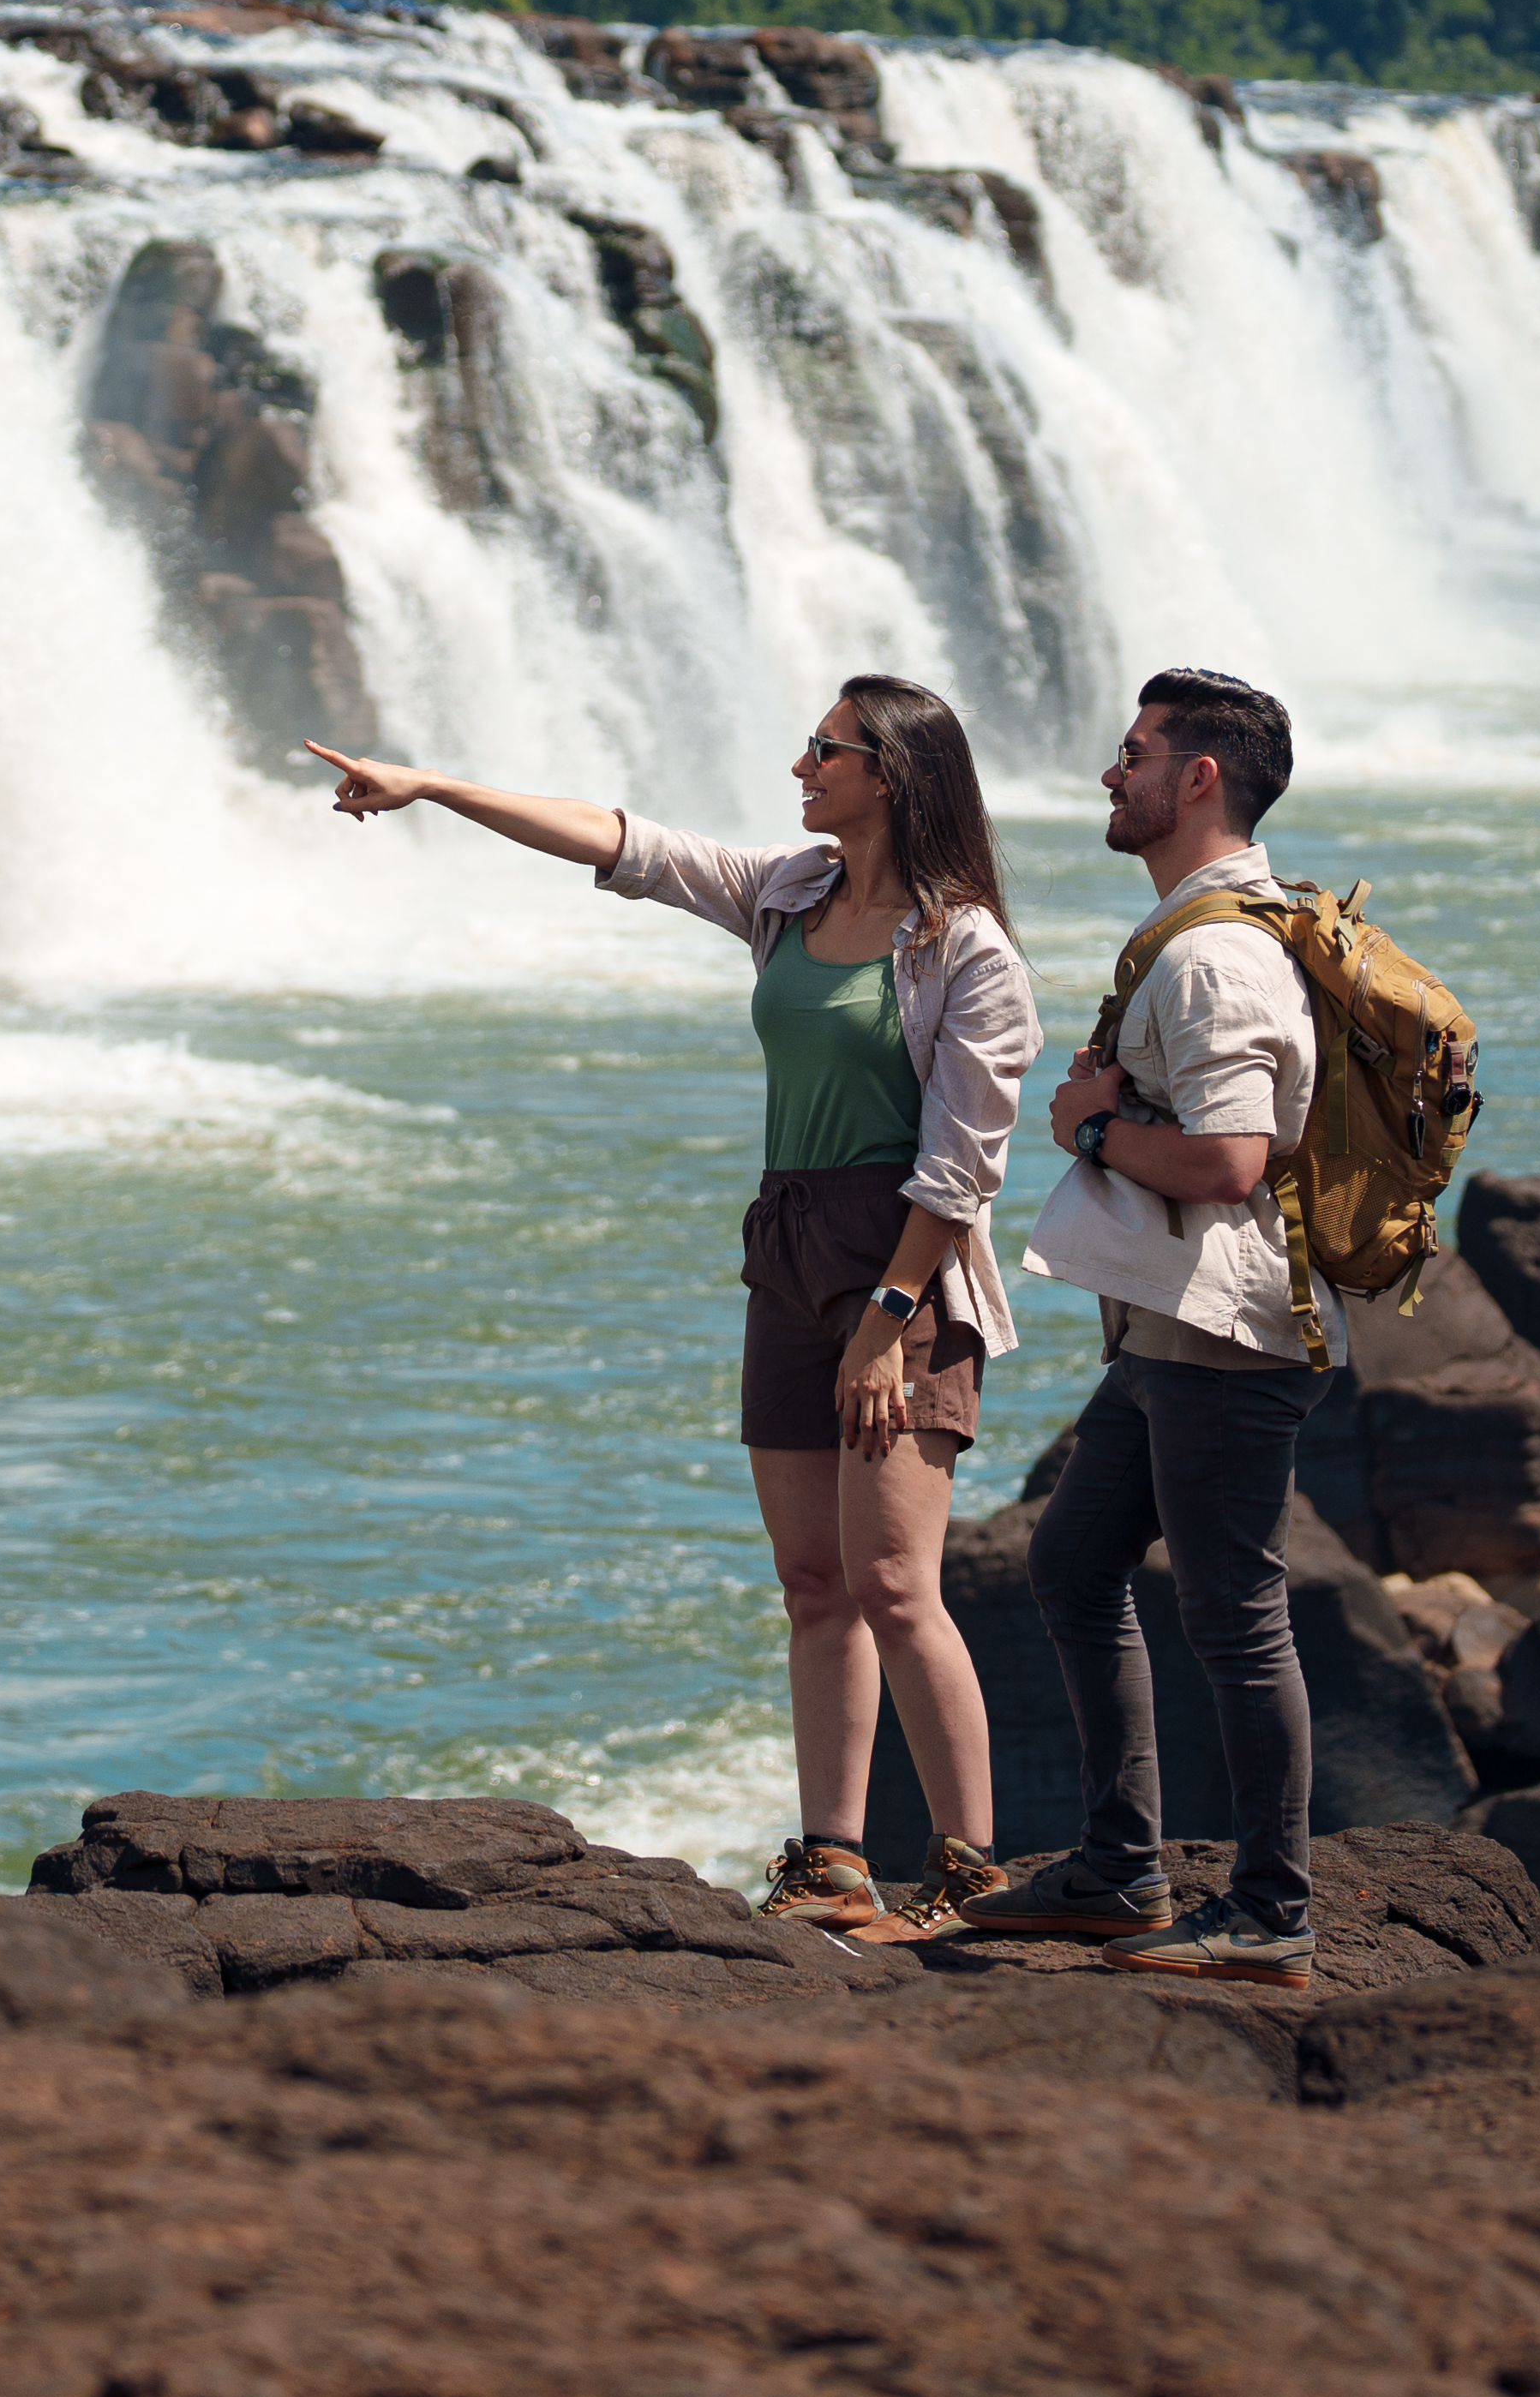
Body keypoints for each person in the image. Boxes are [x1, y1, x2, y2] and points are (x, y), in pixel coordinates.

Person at [307, 683, 1040, 1939]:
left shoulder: (965, 950)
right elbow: (622, 841)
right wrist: (433, 786)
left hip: (902, 1270)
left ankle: (974, 1871)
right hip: (788, 1250)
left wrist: (885, 1322)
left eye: (825, 748)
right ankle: (834, 1862)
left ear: (892, 775)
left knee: (894, 1582)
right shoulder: (790, 894)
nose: (800, 763)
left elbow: (962, 1168)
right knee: (812, 1580)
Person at [951, 664, 1331, 1986]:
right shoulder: (1206, 930)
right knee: (1072, 1560)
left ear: (1199, 778)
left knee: (1235, 1613)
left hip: (1229, 1329)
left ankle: (1272, 1912)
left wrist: (1092, 1127)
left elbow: (1230, 1161)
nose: (1110, 776)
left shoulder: (1216, 957)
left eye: (1133, 754)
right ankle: (1121, 1868)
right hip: (1179, 1325)